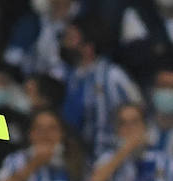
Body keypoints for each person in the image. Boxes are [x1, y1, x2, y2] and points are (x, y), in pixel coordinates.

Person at [60, 16, 143, 160]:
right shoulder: (70, 76)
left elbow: (139, 110)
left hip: (113, 158)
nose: (65, 43)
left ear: (88, 46)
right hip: (79, 159)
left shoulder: (113, 76)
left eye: (71, 38)